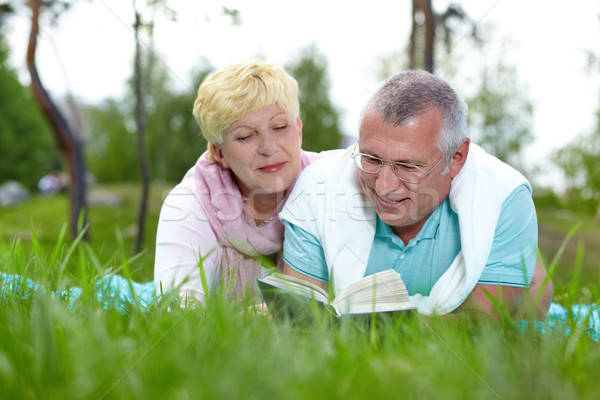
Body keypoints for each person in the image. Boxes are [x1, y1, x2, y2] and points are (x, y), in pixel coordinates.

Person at [279, 70, 553, 318]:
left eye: (408, 166)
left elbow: (481, 327)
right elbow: (301, 320)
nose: (384, 186)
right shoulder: (316, 189)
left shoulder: (504, 197)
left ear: (456, 157)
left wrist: (369, 331)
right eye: (371, 159)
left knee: (536, 301)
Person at [154, 60, 324, 305]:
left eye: (279, 126)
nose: (268, 148)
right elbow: (177, 312)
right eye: (245, 136)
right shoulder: (190, 203)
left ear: (298, 129)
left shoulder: (329, 179)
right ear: (219, 153)